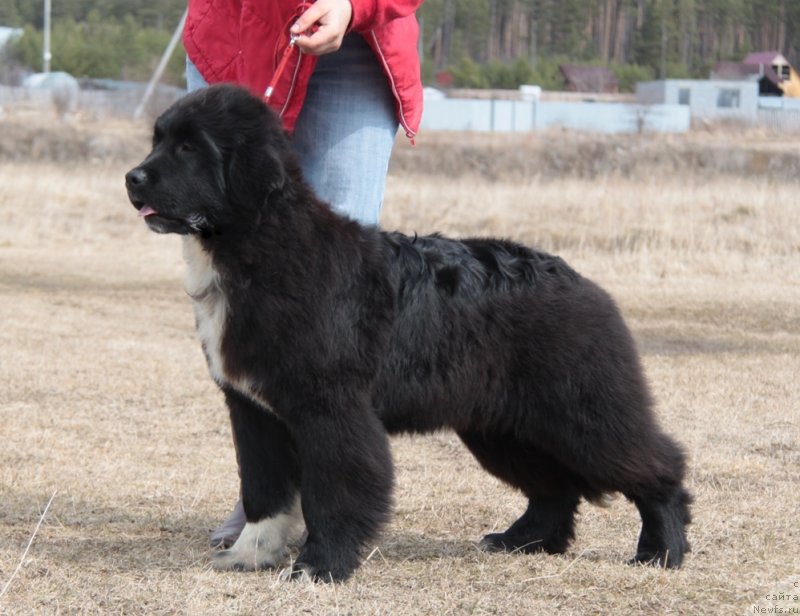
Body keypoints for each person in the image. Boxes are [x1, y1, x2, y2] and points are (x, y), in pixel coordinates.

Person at [182, 0, 425, 547]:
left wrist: (353, 5)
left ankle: (331, 503)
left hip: (354, 48)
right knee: (238, 309)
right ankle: (267, 501)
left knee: (337, 306)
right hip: (235, 30)